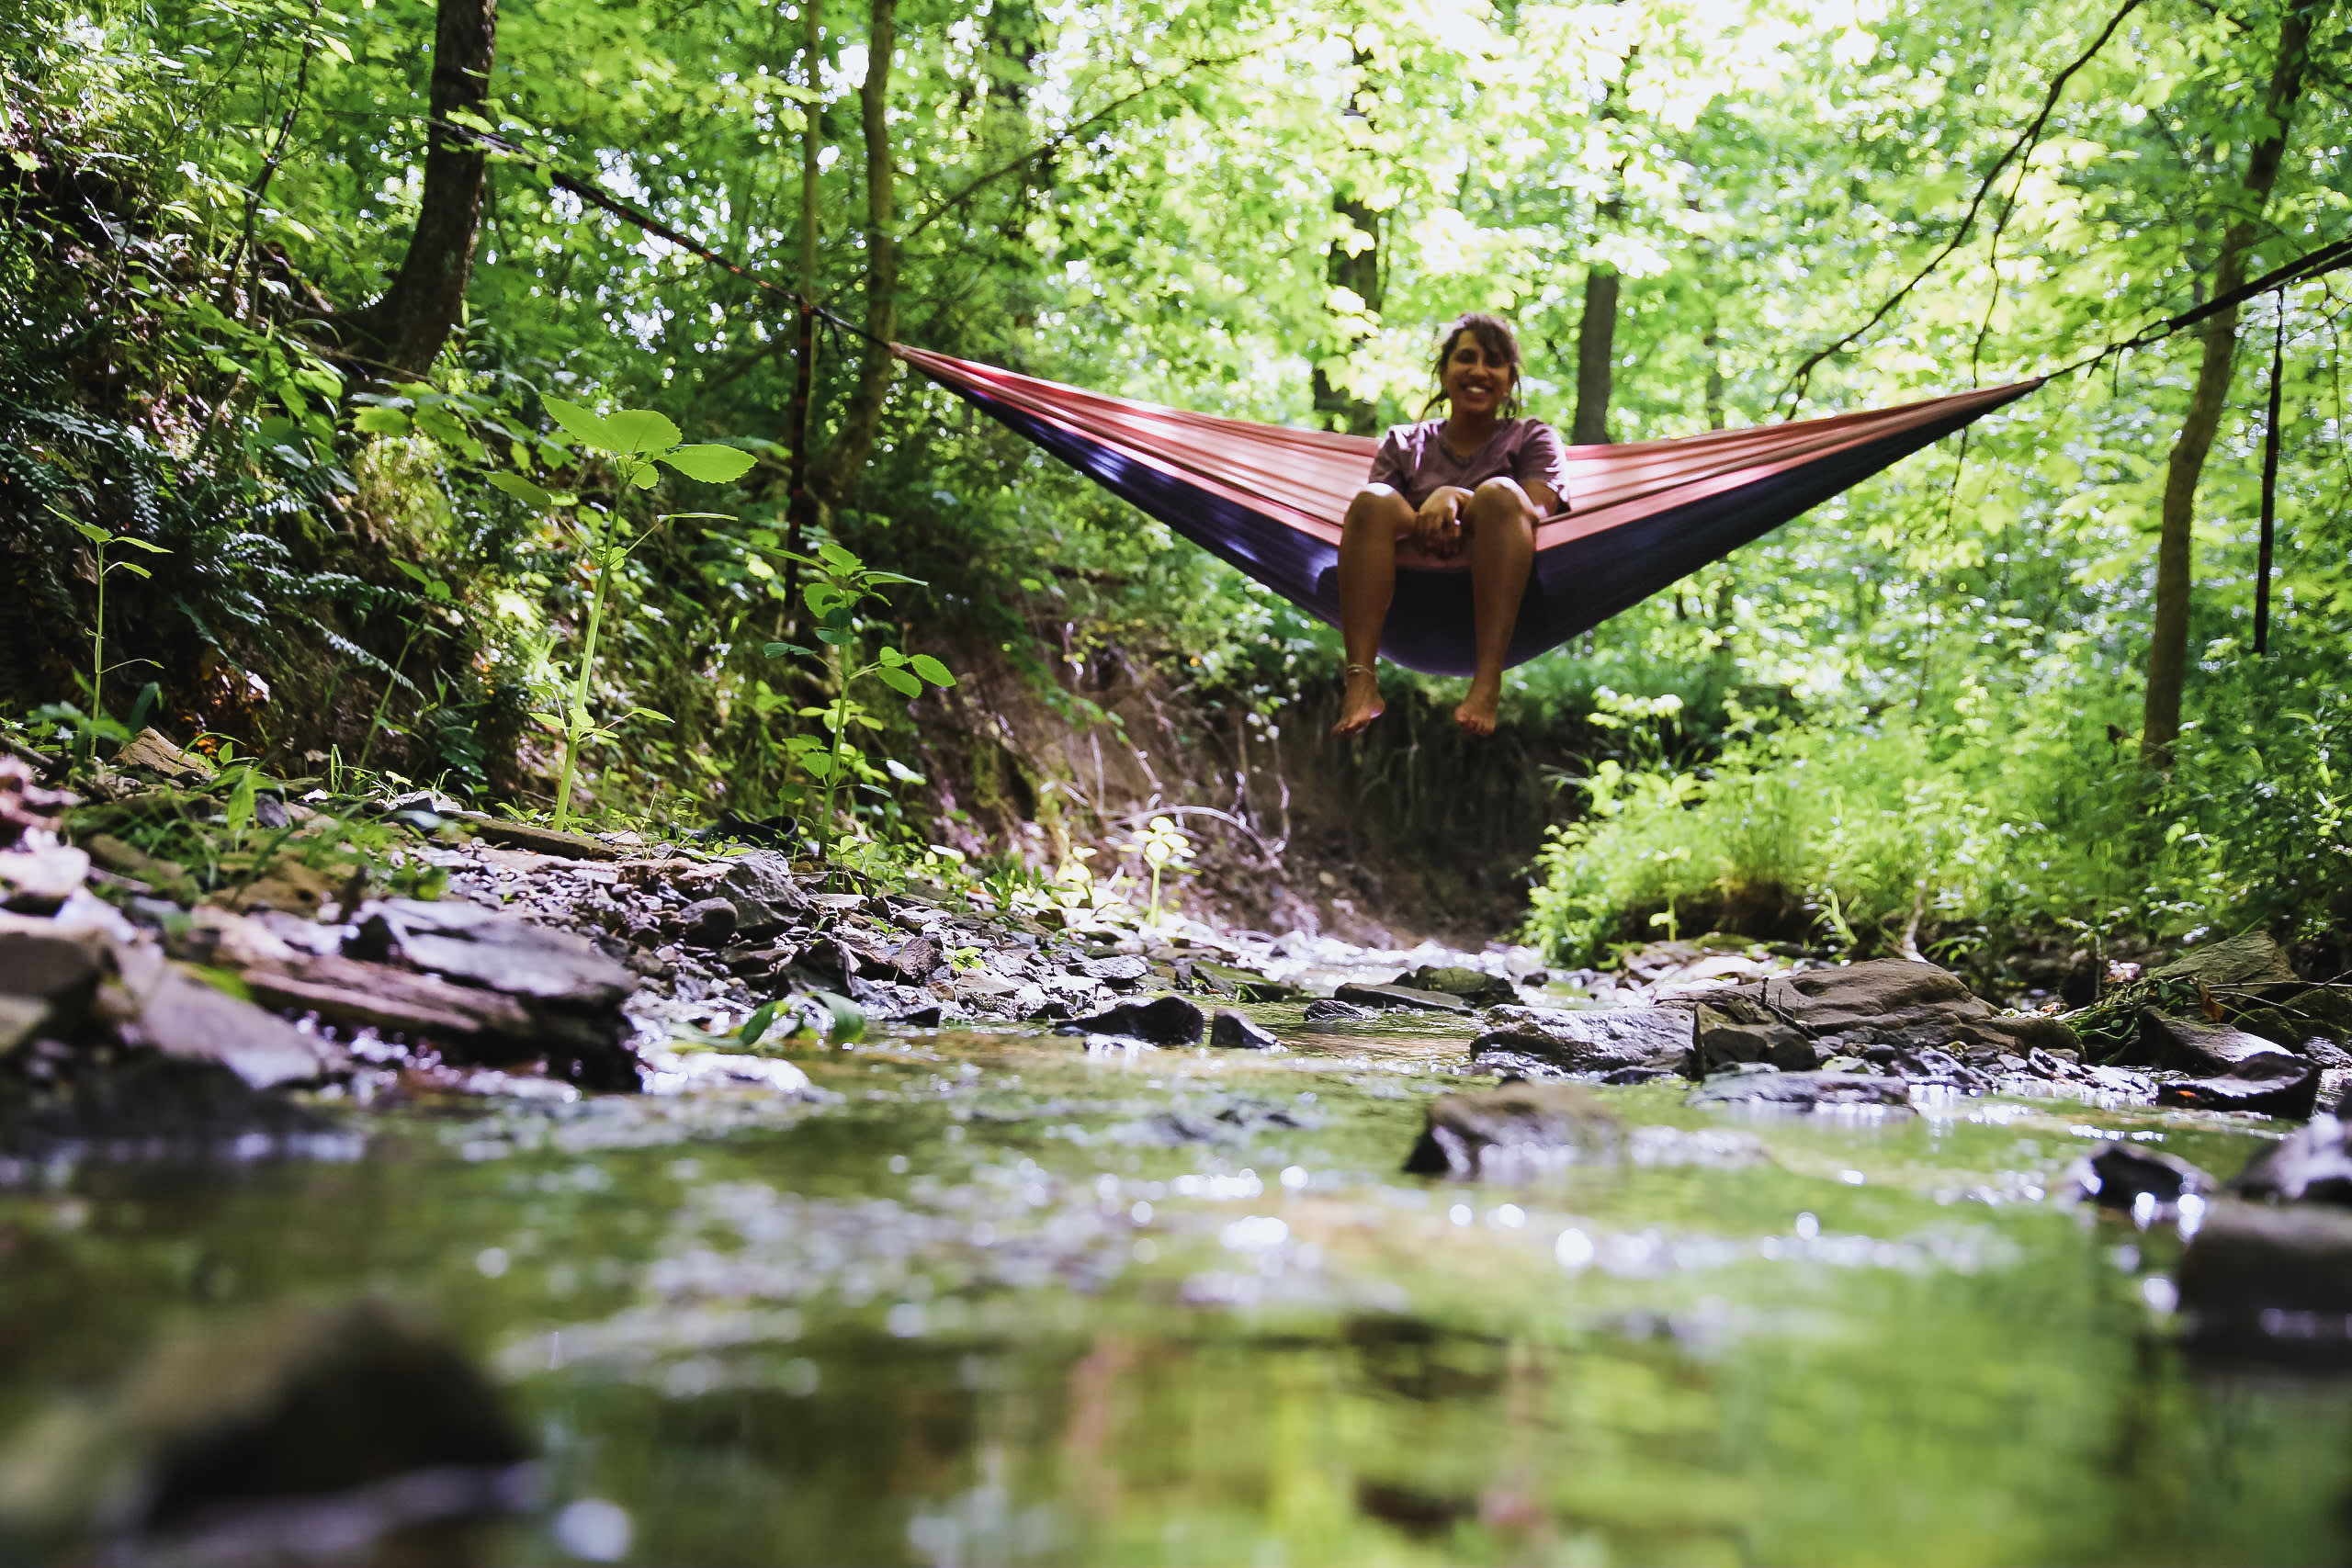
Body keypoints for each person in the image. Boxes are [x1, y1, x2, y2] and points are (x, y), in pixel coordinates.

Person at [1331, 313, 1570, 738]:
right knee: (1371, 500)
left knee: (1501, 494)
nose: (1479, 371)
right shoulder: (1403, 444)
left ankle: (1488, 681)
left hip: (1507, 583)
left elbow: (1538, 509)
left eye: (1494, 362)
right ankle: (1360, 680)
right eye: (1466, 358)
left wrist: (1455, 497)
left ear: (1510, 381)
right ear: (1444, 372)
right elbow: (1371, 526)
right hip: (1410, 591)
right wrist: (1431, 516)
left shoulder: (1532, 438)